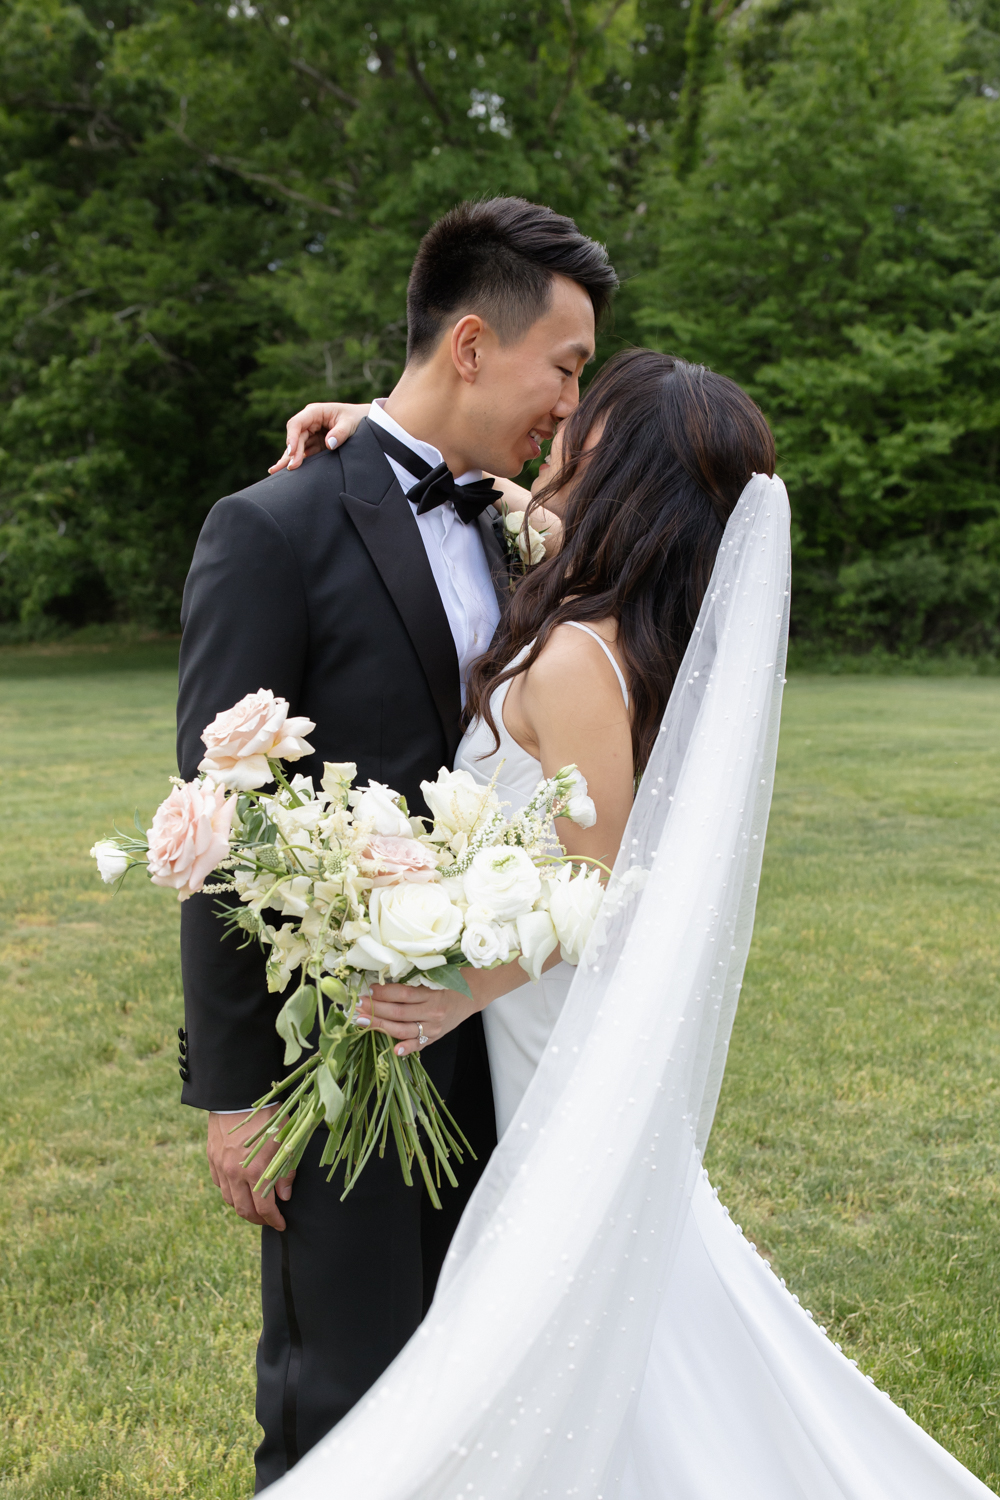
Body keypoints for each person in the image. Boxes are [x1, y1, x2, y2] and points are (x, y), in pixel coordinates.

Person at [258, 357, 992, 1499]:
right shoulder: (596, 618)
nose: (557, 430)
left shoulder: (576, 657)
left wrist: (460, 988)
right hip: (539, 1026)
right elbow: (504, 505)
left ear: (616, 469)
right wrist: (382, 432)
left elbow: (601, 889)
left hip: (553, 1035)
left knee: (576, 1305)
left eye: (579, 426)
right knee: (620, 1297)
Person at [175, 194, 618, 1491]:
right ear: (475, 345)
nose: (571, 405)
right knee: (345, 1408)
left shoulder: (513, 517)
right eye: (566, 367)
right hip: (351, 1053)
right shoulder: (271, 530)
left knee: (496, 1398)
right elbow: (218, 821)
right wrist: (240, 1090)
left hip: (518, 1031)